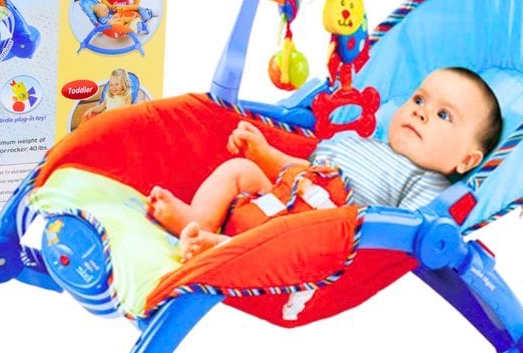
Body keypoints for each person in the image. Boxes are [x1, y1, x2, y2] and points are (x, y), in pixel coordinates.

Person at [149, 68, 504, 261]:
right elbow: (305, 169)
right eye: (419, 99)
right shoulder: (358, 142)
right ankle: (196, 220)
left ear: (466, 160)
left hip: (317, 233)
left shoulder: (426, 181)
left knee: (290, 235)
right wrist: (263, 153)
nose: (421, 112)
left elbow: (407, 229)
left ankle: (219, 249)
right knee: (238, 171)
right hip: (279, 198)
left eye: (443, 115)